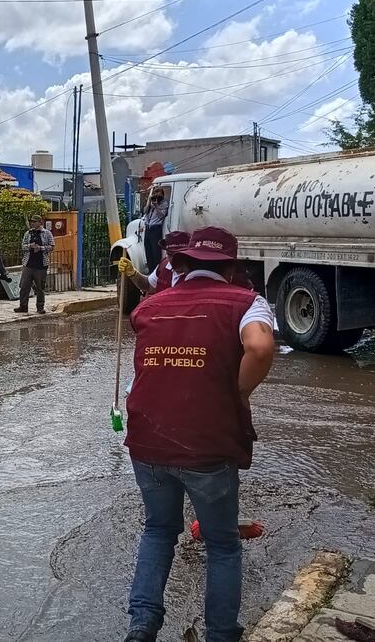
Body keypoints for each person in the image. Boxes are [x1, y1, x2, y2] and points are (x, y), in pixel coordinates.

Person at [123, 226, 275, 642]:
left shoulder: (150, 307)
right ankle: (222, 634)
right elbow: (260, 349)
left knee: (158, 530)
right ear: (230, 269)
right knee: (222, 544)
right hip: (207, 445)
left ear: (181, 264)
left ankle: (141, 627)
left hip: (147, 440)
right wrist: (239, 391)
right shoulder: (249, 303)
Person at [119, 231, 191, 295]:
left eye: (178, 255)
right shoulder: (164, 265)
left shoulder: (196, 274)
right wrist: (133, 274)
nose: (174, 259)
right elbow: (148, 285)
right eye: (170, 254)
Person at [15, 215, 55, 315]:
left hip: (41, 264)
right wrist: (30, 246)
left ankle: (40, 306)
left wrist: (40, 248)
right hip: (28, 263)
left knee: (40, 287)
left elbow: (52, 246)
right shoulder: (28, 233)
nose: (32, 223)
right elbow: (23, 246)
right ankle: (23, 305)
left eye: (34, 221)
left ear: (40, 222)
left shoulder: (47, 233)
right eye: (31, 222)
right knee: (24, 286)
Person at [142, 186, 169, 272]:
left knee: (156, 252)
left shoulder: (164, 203)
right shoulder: (150, 203)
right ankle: (150, 270)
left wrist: (156, 206)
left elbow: (162, 215)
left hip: (156, 228)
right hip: (148, 228)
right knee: (148, 251)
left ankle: (156, 271)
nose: (156, 197)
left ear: (162, 195)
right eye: (154, 194)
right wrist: (149, 202)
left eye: (158, 194)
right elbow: (145, 211)